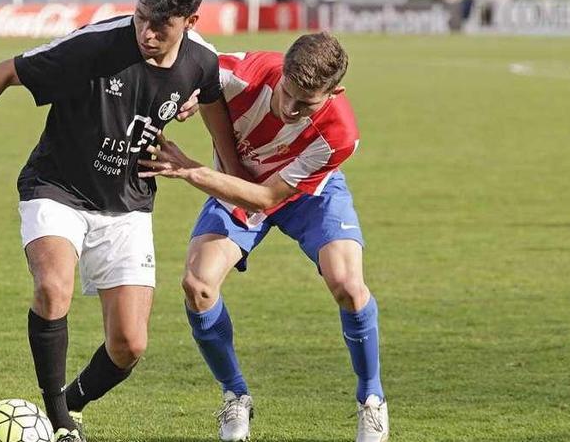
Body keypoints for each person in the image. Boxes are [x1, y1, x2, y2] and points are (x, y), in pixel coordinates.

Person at [0, 0, 242, 442]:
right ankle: (58, 422)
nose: (146, 33)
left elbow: (212, 96)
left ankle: (71, 402)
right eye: (141, 17)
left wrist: (226, 175)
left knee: (129, 344)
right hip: (56, 186)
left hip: (128, 203)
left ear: (190, 22)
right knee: (52, 288)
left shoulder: (201, 61)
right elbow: (6, 72)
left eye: (160, 27)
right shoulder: (95, 45)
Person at [139, 33, 389, 442]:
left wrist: (191, 170)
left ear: (335, 92)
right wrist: (185, 92)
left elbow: (268, 197)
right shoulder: (238, 75)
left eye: (306, 103)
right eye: (287, 92)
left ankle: (371, 399)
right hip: (236, 183)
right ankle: (235, 395)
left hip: (308, 194)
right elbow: (187, 64)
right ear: (282, 71)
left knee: (347, 284)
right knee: (197, 285)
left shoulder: (340, 135)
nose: (290, 109)